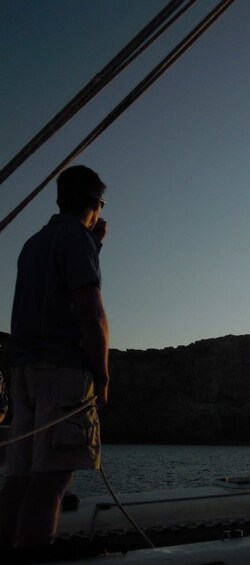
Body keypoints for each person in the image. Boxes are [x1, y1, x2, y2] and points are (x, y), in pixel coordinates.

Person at [0, 165, 110, 548]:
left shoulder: (34, 243)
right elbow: (91, 313)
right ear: (95, 203)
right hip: (62, 372)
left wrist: (92, 245)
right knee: (52, 479)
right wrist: (103, 374)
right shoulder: (76, 240)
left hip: (24, 372)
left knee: (22, 475)